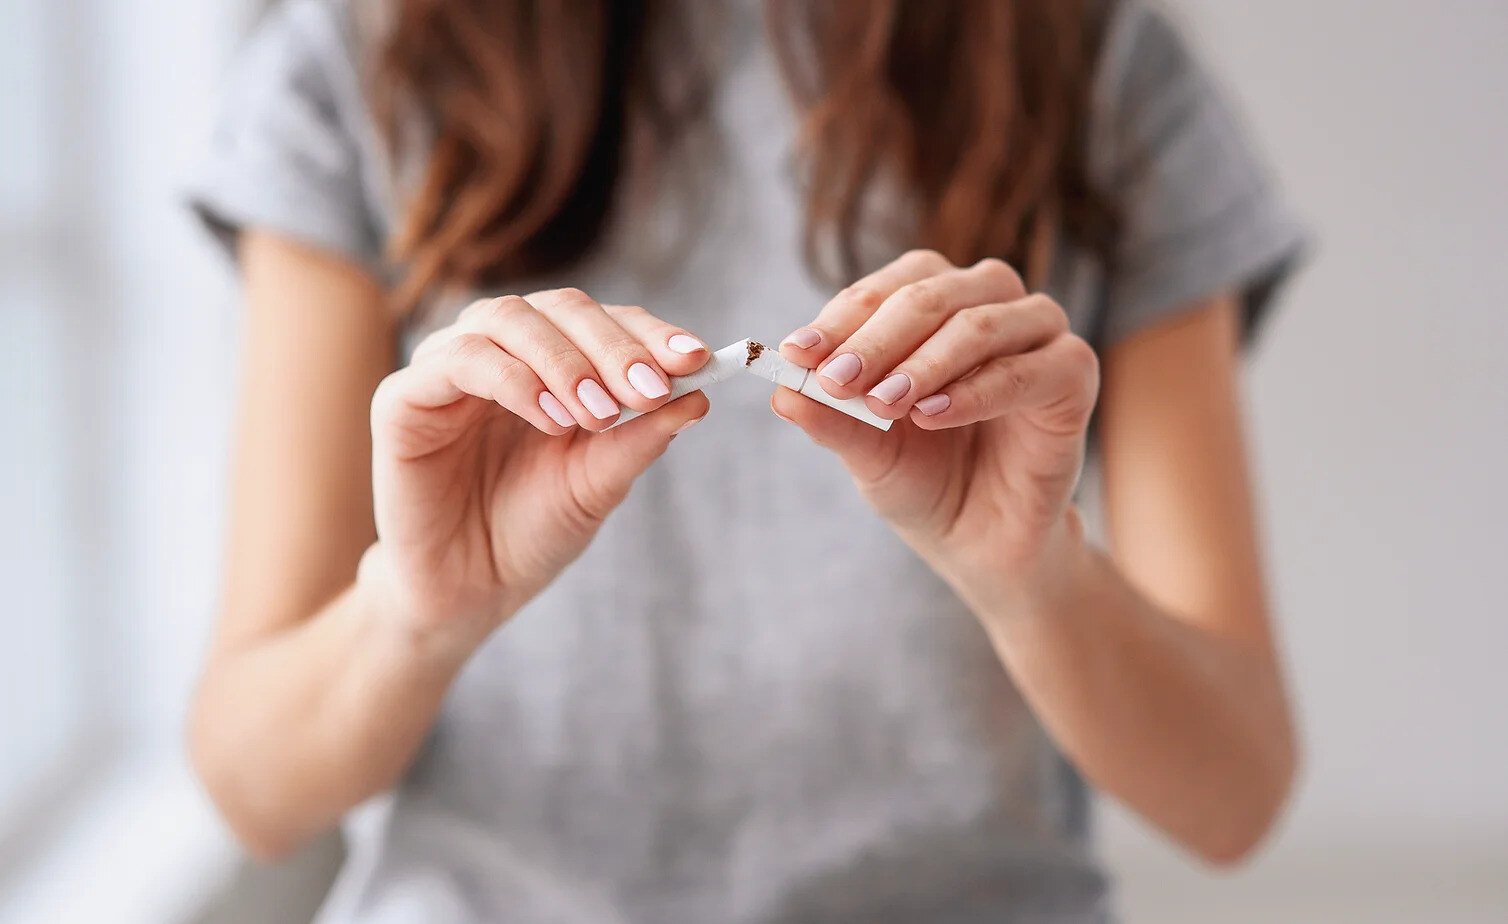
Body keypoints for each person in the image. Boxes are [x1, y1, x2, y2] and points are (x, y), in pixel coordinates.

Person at [186, 0, 1308, 920]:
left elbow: (1232, 794)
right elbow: (254, 787)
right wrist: (417, 614)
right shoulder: (362, 60)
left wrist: (1031, 578)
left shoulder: (1097, 63)